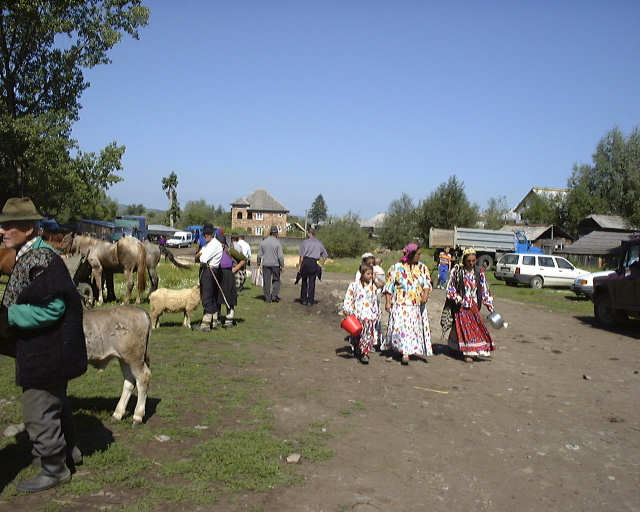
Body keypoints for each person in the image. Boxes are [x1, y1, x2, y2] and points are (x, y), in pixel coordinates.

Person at [0, 197, 87, 493]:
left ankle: (54, 469)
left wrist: (10, 314)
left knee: (37, 409)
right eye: (2, 225)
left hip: (45, 351)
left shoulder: (42, 259)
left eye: (9, 225)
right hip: (51, 349)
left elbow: (54, 308)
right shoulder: (31, 255)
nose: (2, 231)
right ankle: (70, 452)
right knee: (56, 403)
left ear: (28, 228)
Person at [381, 243, 433, 365]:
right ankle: (404, 352)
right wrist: (388, 302)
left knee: (413, 329)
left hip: (416, 305)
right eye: (418, 254)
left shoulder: (422, 268)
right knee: (402, 328)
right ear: (411, 254)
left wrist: (426, 293)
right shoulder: (396, 268)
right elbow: (389, 286)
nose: (420, 257)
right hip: (401, 304)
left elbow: (427, 283)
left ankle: (409, 350)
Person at [446, 248, 496, 362]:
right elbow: (450, 287)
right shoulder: (457, 271)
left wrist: (490, 306)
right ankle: (468, 353)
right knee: (466, 328)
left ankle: (457, 346)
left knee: (475, 327)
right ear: (464, 260)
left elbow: (484, 290)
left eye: (473, 261)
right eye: (469, 261)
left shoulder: (479, 273)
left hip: (473, 305)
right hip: (461, 305)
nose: (471, 263)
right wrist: (458, 299)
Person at [343, 263, 379, 364]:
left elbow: (376, 299)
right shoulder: (354, 286)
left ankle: (365, 353)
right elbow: (349, 298)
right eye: (368, 274)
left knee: (368, 334)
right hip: (357, 315)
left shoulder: (373, 286)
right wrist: (347, 309)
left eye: (371, 274)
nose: (370, 276)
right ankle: (357, 348)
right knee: (357, 334)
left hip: (370, 315)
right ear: (362, 274)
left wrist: (376, 313)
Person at [195, 224, 223, 331]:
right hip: (207, 270)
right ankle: (214, 322)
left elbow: (203, 258)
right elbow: (199, 256)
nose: (206, 236)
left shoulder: (215, 244)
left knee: (207, 297)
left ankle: (206, 324)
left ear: (213, 234)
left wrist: (198, 255)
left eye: (208, 234)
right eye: (205, 234)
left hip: (210, 271)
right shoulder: (208, 244)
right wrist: (198, 255)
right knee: (211, 297)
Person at [215, 233, 246, 326]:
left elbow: (244, 259)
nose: (219, 245)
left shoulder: (230, 251)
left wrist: (235, 268)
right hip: (218, 275)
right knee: (217, 297)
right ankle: (217, 318)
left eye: (220, 243)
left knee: (229, 297)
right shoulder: (214, 251)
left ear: (224, 243)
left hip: (228, 276)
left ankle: (229, 318)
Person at [298, 228, 328, 306]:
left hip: (305, 262)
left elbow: (301, 257)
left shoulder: (305, 242)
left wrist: (299, 266)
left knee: (304, 281)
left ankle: (303, 299)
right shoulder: (319, 243)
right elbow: (325, 256)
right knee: (312, 282)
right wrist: (321, 264)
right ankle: (310, 301)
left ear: (309, 233)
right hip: (314, 263)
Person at [258, 225, 284, 303]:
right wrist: (282, 265)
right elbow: (280, 256)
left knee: (266, 281)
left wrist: (258, 264)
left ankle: (267, 298)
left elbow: (259, 255)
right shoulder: (277, 243)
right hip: (275, 265)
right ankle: (274, 296)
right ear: (276, 233)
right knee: (276, 280)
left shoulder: (263, 242)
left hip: (266, 264)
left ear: (270, 233)